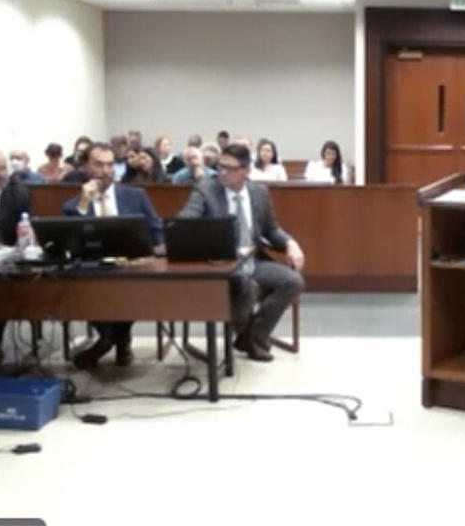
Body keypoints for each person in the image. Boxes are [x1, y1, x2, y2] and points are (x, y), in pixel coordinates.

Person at [177, 144, 305, 362]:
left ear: (246, 170)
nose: (222, 172)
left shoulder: (259, 192)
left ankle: (253, 336)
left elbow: (271, 229)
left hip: (254, 260)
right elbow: (185, 222)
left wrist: (291, 243)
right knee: (245, 285)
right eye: (220, 166)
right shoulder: (206, 190)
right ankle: (249, 339)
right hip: (222, 264)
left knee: (293, 281)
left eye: (229, 168)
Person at [63, 143, 163, 369]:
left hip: (132, 265)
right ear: (86, 167)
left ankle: (110, 340)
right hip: (92, 268)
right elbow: (70, 240)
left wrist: (156, 251)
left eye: (109, 165)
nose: (105, 170)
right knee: (84, 284)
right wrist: (84, 203)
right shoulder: (73, 205)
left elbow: (156, 230)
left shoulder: (135, 196)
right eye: (98, 164)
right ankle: (117, 339)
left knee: (128, 286)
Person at [0, 148, 32, 380]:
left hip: (6, 263)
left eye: (4, 168)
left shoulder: (18, 193)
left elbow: (27, 231)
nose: (2, 174)